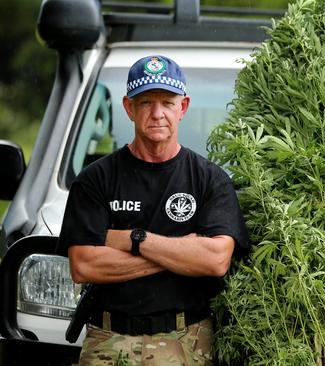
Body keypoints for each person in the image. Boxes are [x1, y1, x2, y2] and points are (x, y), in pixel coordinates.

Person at [56, 55, 248, 365]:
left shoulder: (210, 180)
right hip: (108, 340)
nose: (157, 114)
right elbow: (84, 266)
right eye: (145, 103)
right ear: (129, 107)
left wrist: (134, 239)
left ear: (182, 108)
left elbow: (215, 260)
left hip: (187, 341)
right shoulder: (95, 179)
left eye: (167, 102)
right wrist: (184, 250)